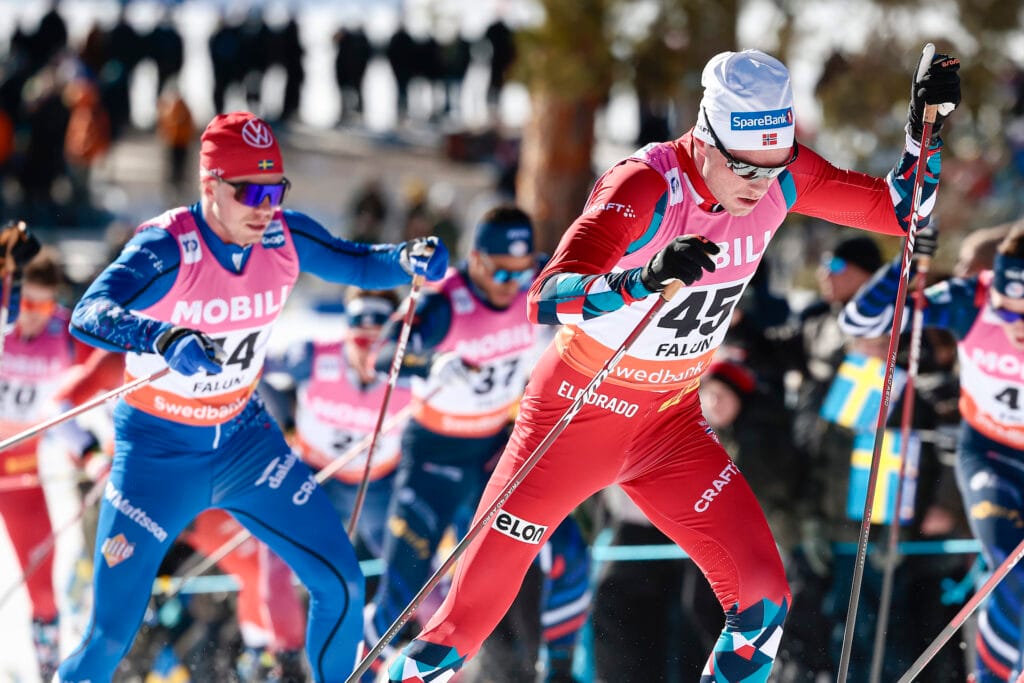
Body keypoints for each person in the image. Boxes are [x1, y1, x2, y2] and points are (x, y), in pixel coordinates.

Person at [383, 47, 961, 682]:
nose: (759, 184)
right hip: (576, 420)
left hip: (669, 426)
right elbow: (545, 297)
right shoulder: (648, 184)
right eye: (744, 166)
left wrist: (923, 134)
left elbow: (901, 213)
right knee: (460, 625)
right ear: (705, 138)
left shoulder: (781, 172)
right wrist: (640, 278)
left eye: (775, 166)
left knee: (765, 600)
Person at [56, 111, 448, 683]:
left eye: (276, 189)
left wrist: (405, 258)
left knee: (340, 581)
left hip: (244, 444)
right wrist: (160, 336)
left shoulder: (282, 236)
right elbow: (89, 313)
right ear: (210, 185)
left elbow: (356, 261)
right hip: (158, 455)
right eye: (250, 191)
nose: (265, 206)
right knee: (109, 636)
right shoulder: (168, 248)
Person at [365, 206, 590, 682]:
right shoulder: (446, 303)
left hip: (495, 451)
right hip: (434, 457)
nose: (512, 283)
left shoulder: (537, 281)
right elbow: (382, 356)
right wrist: (429, 366)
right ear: (476, 259)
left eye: (521, 269)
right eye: (499, 271)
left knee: (565, 550)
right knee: (403, 591)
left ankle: (561, 670)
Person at [839, 225, 1024, 682]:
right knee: (1009, 567)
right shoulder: (972, 300)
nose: (1014, 328)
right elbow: (858, 323)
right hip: (992, 455)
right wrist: (900, 267)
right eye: (1006, 310)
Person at [266, 285, 410, 556]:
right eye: (360, 341)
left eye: (378, 343)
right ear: (347, 333)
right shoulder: (312, 357)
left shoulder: (409, 374)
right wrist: (282, 421)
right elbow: (253, 368)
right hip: (317, 476)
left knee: (408, 564)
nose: (368, 352)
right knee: (278, 551)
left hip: (377, 486)